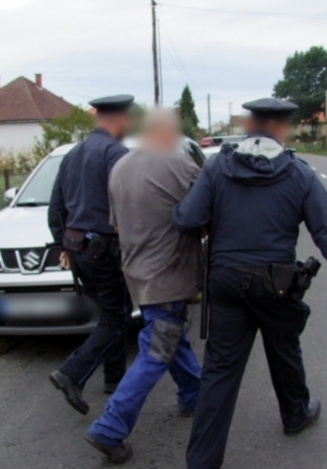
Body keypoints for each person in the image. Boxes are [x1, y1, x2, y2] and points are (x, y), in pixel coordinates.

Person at [173, 98, 327, 469]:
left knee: (219, 372)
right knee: (283, 344)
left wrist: (179, 211)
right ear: (281, 128)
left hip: (226, 282)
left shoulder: (217, 168)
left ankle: (201, 463)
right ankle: (295, 414)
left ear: (251, 124)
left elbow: (187, 219)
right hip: (275, 283)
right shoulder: (299, 174)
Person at [84, 108, 203, 464]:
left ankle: (193, 393)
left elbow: (117, 227)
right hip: (169, 275)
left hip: (136, 273)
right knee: (157, 349)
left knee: (169, 336)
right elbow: (205, 218)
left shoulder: (120, 167)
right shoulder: (183, 168)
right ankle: (110, 426)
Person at [47, 94, 135, 416]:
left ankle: (114, 377)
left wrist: (63, 247)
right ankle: (71, 373)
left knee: (114, 311)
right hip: (105, 251)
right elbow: (128, 206)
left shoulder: (71, 155)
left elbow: (55, 209)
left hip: (78, 251)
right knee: (117, 316)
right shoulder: (117, 153)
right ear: (120, 120)